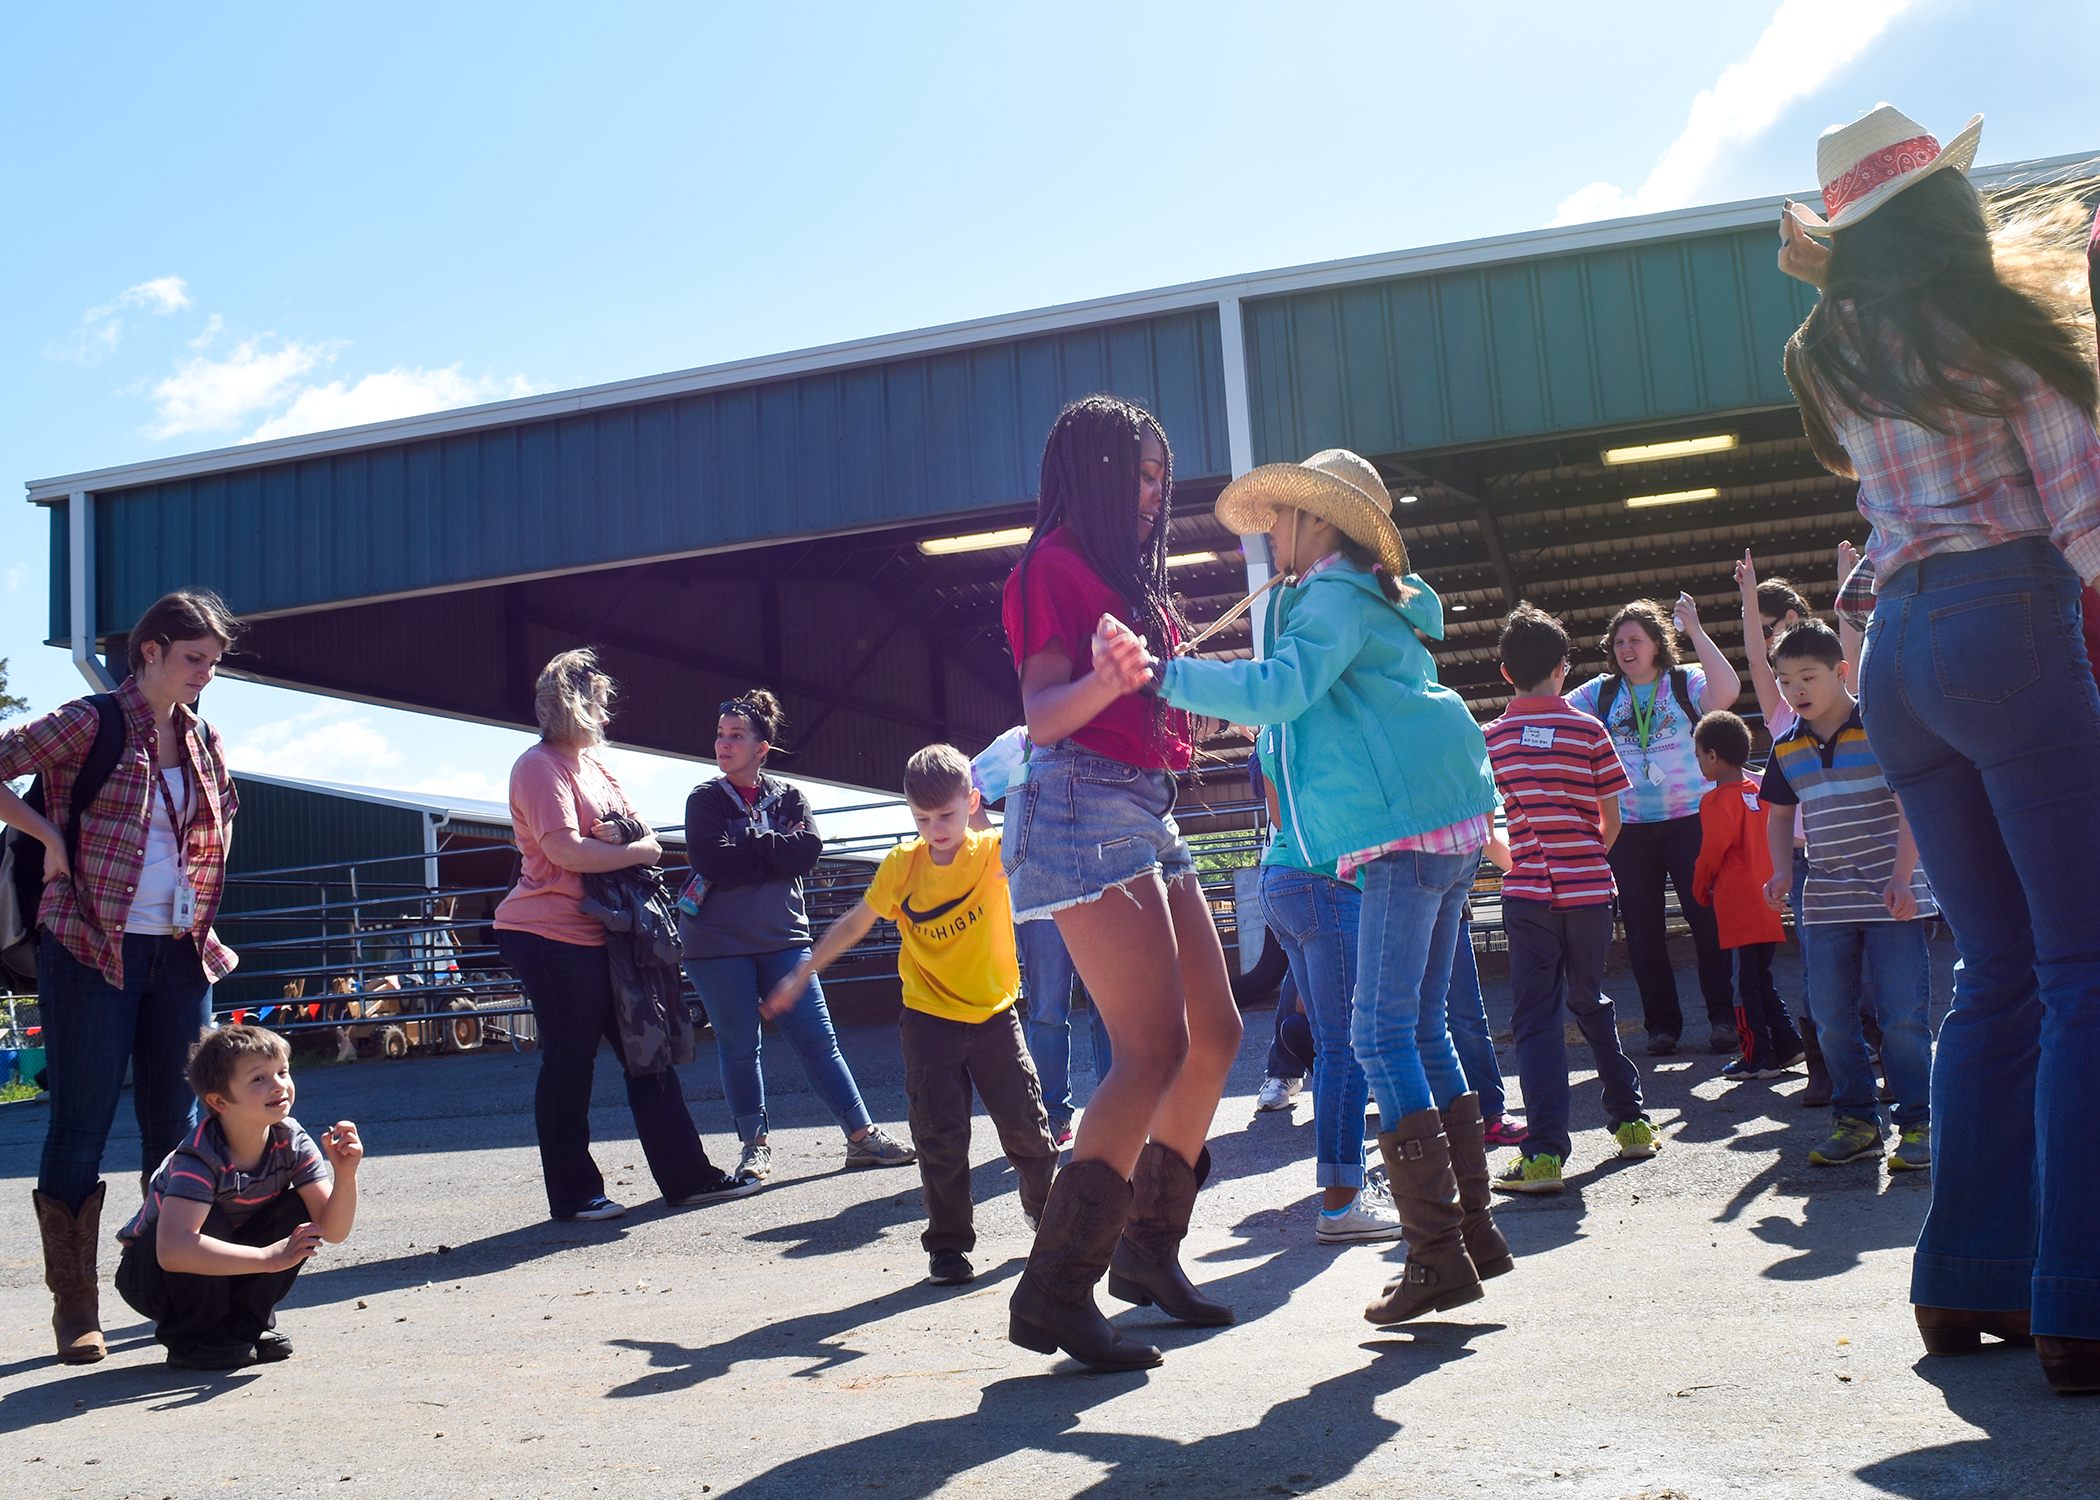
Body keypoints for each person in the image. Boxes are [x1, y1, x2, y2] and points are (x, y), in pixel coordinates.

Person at [1777, 106, 2100, 1384]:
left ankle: (1965, 1277)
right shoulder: (1998, 328)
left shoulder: (1833, 345)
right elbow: (2085, 516)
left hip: (1895, 647)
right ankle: (2078, 1294)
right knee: (2086, 967)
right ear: (1950, 209)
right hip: (2004, 622)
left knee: (1996, 970)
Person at [1154, 447, 1505, 1326]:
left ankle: (1438, 1257)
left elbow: (1280, 693)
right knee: (1420, 1028)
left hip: (1397, 832)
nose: (1269, 528)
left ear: (1319, 522)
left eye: (1281, 514)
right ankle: (1472, 1232)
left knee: (1380, 1032)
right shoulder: (1363, 596)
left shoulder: (1334, 596)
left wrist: (1160, 675)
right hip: (1440, 822)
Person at [999, 394, 1243, 1372]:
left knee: (1217, 1034)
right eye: (1139, 473)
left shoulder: (1129, 582)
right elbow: (1046, 713)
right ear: (1096, 471)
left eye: (1160, 474)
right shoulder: (1052, 567)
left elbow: (1158, 714)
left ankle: (1147, 1250)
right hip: (1081, 804)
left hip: (1143, 804)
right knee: (1151, 1050)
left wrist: (1227, 704)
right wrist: (1107, 682)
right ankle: (1056, 1290)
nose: (1154, 491)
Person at [0, 589, 243, 1365]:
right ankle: (76, 1308)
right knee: (81, 1123)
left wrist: (203, 888)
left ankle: (170, 1292)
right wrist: (47, 837)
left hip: (180, 951)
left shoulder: (203, 738)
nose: (206, 673)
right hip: (91, 946)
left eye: (213, 662)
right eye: (193, 659)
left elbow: (226, 811)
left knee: (179, 1128)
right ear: (149, 652)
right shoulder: (91, 720)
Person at [764, 744, 1057, 1287]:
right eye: (922, 818)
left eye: (945, 814)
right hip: (928, 1022)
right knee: (939, 1138)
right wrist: (804, 972)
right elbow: (854, 923)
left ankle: (1044, 1212)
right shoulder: (903, 866)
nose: (935, 828)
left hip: (995, 1016)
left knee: (1027, 1131)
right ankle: (948, 1247)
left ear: (971, 802)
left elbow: (1040, 804)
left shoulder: (995, 852)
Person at [493, 650, 754, 1223]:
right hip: (550, 931)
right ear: (576, 706)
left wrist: (629, 843)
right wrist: (634, 849)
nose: (608, 717)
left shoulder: (595, 767)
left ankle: (689, 1179)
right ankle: (574, 1195)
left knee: (648, 1055)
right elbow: (565, 849)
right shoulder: (538, 766)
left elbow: (650, 837)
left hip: (610, 931)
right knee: (570, 1059)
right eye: (600, 705)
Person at [680, 690, 916, 1180]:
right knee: (740, 1046)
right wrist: (772, 849)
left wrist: (747, 839)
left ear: (761, 748)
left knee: (819, 1040)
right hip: (716, 945)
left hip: (785, 938)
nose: (724, 744)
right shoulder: (704, 799)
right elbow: (710, 859)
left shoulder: (789, 797)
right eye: (721, 735)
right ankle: (754, 1145)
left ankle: (862, 1136)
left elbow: (806, 852)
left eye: (737, 736)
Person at [1481, 604, 1656, 1197]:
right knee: (1591, 1000)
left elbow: (1486, 830)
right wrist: (1582, 857)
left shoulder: (1493, 740)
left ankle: (1545, 1153)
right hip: (1588, 892)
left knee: (1535, 1020)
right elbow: (1611, 819)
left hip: (1528, 894)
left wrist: (1525, 863)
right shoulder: (1589, 731)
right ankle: (1630, 1122)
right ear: (1564, 668)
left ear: (1506, 673)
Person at [1755, 623, 1934, 1174]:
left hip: (1892, 897)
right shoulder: (1786, 747)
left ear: (1840, 672)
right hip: (1826, 898)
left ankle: (1919, 1124)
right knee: (1831, 1015)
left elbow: (1911, 805)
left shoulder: (1883, 727)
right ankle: (1856, 1120)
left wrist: (1904, 878)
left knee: (1901, 1015)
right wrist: (1782, 871)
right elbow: (1780, 815)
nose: (1794, 691)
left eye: (1807, 677)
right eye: (1784, 681)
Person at [113, 1025, 358, 1369]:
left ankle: (243, 1328)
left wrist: (345, 1176)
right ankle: (194, 1338)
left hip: (222, 1266)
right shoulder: (199, 1157)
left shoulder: (291, 1139)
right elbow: (172, 1251)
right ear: (218, 1101)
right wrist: (268, 1257)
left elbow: (332, 1231)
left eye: (283, 1072)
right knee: (208, 1217)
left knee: (298, 1209)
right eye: (259, 1079)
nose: (278, 1085)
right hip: (154, 1280)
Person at [1244, 724, 1402, 1247]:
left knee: (1336, 1046)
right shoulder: (1345, 718)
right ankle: (1340, 1204)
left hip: (1281, 877)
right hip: (1328, 882)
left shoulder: (1275, 729)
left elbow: (1279, 817)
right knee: (1344, 1048)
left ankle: (1346, 1191)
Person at [1565, 597, 1743, 1057]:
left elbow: (1725, 694)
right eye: (1619, 641)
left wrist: (1698, 633)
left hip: (1690, 821)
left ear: (1657, 645)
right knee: (1643, 932)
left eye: (1635, 640)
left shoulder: (1685, 681)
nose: (1626, 648)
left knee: (1707, 921)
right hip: (1629, 828)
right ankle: (1661, 1027)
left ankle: (1724, 1020)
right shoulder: (1600, 693)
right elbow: (1557, 712)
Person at [1690, 710, 1800, 1080]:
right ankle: (1787, 1043)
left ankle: (1757, 1056)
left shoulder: (1716, 801)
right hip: (1767, 899)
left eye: (1698, 755)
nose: (1699, 764)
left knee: (1742, 984)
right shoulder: (1760, 792)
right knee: (1759, 977)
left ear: (1712, 755)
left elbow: (1711, 853)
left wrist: (1698, 888)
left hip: (1737, 903)